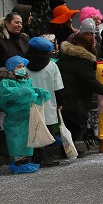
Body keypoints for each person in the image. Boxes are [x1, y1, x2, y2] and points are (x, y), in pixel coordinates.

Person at [58, 19, 103, 153]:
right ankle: (67, 149)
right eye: (92, 38)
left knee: (70, 122)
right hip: (76, 95)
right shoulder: (82, 60)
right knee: (74, 123)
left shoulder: (68, 54)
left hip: (68, 93)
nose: (95, 40)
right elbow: (90, 80)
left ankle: (69, 148)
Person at [0, 56, 50, 174]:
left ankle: (25, 161)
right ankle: (17, 163)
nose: (23, 68)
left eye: (23, 66)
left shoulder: (25, 80)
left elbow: (29, 91)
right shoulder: (6, 82)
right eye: (19, 66)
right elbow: (4, 96)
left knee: (27, 139)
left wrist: (38, 92)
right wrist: (24, 93)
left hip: (26, 114)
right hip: (15, 116)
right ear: (11, 68)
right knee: (16, 140)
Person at [23, 36, 64, 168]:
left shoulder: (23, 65)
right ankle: (43, 156)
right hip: (48, 103)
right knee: (46, 130)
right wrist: (60, 103)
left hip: (28, 102)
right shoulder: (52, 66)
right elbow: (58, 87)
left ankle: (33, 156)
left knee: (32, 129)